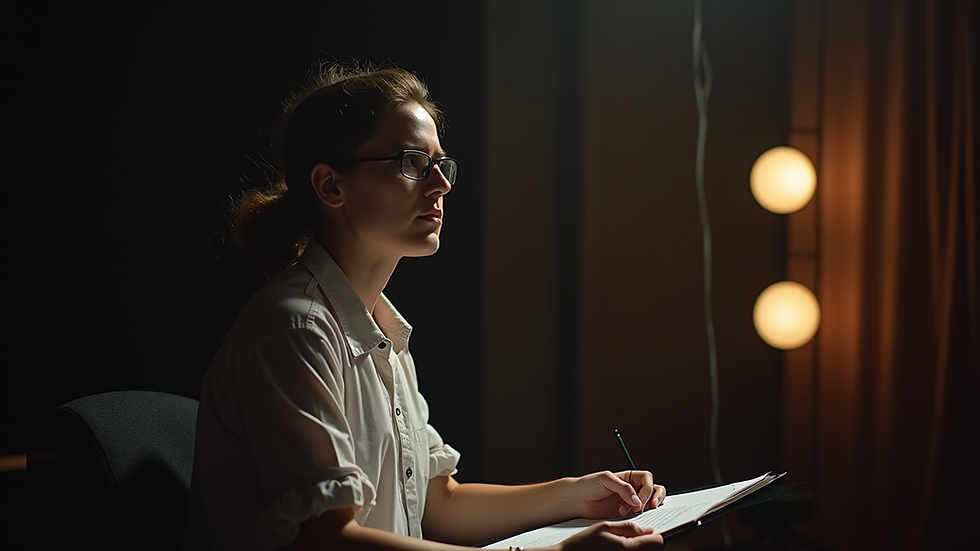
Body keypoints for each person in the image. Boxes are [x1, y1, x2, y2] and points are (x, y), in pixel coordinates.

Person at [183, 63, 667, 551]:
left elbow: (440, 502)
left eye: (441, 164)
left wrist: (578, 496)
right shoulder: (296, 330)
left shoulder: (381, 333)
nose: (441, 184)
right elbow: (328, 539)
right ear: (331, 185)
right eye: (412, 163)